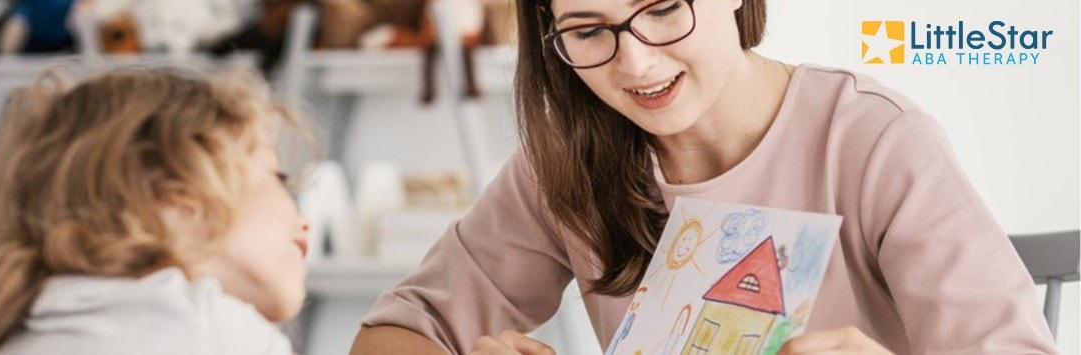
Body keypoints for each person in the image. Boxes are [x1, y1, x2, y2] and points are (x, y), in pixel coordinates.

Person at [348, 0, 1058, 353]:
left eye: (662, 8)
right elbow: (396, 331)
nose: (637, 64)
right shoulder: (566, 163)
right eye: (589, 30)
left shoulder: (874, 140)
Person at [0, 65, 311, 355]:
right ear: (177, 208)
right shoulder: (215, 331)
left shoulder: (23, 333)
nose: (304, 219)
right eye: (279, 178)